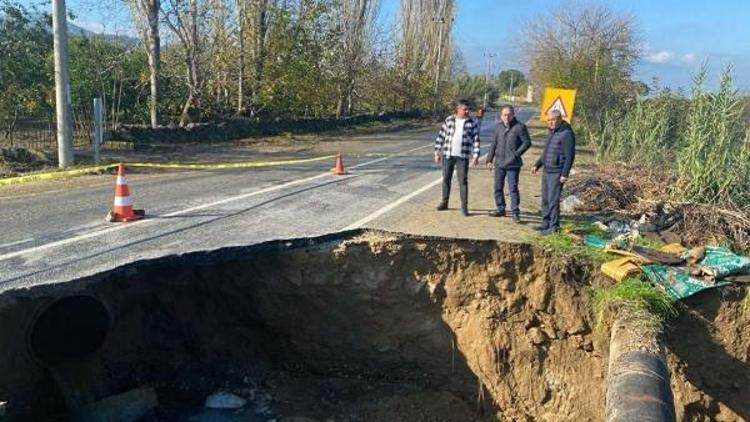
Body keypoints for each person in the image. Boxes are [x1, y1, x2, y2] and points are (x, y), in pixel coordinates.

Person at [530, 109, 576, 234]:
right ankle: (545, 223)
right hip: (547, 170)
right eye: (549, 120)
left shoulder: (567, 133)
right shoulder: (551, 132)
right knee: (545, 199)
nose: (551, 123)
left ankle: (553, 227)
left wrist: (564, 174)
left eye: (553, 120)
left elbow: (569, 156)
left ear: (560, 119)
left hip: (557, 172)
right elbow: (546, 152)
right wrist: (537, 165)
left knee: (553, 200)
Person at [434, 98, 481, 216]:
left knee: (463, 181)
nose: (467, 111)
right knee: (446, 179)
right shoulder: (449, 120)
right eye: (464, 109)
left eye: (468, 109)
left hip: (463, 156)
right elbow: (441, 136)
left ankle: (464, 208)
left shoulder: (472, 122)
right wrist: (437, 152)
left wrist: (476, 155)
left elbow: (476, 139)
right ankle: (444, 203)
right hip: (448, 155)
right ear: (458, 109)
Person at [486, 105, 531, 223]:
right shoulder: (498, 127)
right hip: (499, 163)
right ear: (501, 116)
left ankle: (515, 212)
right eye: (504, 114)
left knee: (513, 188)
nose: (507, 117)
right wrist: (489, 159)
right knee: (497, 187)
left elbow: (527, 143)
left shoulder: (520, 127)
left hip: (513, 164)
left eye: (509, 114)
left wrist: (516, 154)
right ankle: (500, 208)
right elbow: (493, 144)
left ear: (513, 114)